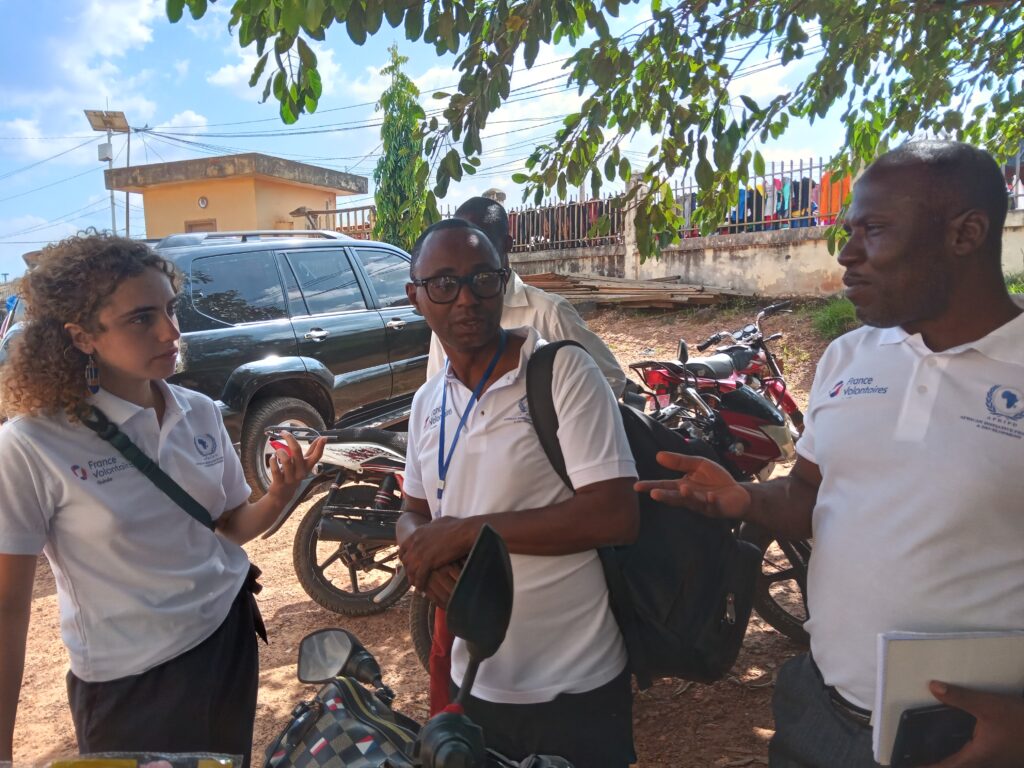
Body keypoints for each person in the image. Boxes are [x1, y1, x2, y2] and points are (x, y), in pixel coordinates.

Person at [637, 141, 1024, 768]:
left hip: (969, 741)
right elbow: (808, 497)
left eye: (874, 230)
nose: (846, 254)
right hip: (818, 713)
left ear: (967, 233)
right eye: (849, 231)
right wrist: (744, 498)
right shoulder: (850, 356)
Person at [0, 233, 325, 767]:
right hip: (131, 684)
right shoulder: (33, 445)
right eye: (141, 318)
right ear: (82, 337)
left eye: (171, 309)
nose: (171, 332)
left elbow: (227, 526)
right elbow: (9, 606)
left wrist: (279, 494)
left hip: (227, 639)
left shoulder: (197, 411)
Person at [397, 219, 639, 767]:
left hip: (575, 681)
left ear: (503, 282)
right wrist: (422, 555)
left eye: (484, 279)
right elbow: (412, 511)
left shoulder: (561, 372)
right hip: (476, 679)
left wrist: (464, 532)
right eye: (444, 284)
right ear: (415, 297)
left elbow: (615, 514)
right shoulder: (426, 401)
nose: (467, 298)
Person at [426, 196, 627, 397]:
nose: (469, 251)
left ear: (507, 244)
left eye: (480, 240)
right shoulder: (447, 321)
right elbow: (436, 395)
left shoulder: (548, 313)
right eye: (460, 242)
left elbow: (611, 378)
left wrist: (550, 420)